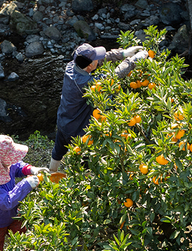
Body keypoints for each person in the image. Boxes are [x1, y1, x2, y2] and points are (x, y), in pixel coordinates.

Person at [49, 42, 148, 172]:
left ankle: (51, 173)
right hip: (77, 129)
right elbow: (113, 77)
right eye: (95, 59)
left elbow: (99, 59)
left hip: (63, 120)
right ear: (90, 65)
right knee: (85, 159)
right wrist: (132, 61)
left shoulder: (72, 66)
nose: (98, 60)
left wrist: (123, 53)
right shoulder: (86, 83)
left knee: (59, 149)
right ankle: (80, 179)